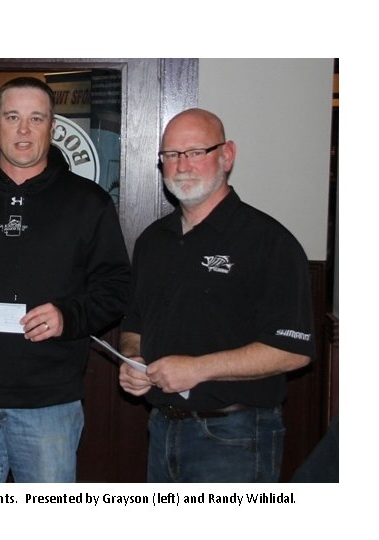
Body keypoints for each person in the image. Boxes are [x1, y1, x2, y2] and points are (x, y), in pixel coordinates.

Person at [0, 77, 130, 482]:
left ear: (53, 126)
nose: (25, 130)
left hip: (50, 405)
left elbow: (116, 287)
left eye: (37, 118)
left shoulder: (89, 203)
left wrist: (69, 316)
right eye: (13, 117)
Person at [119, 108, 314, 482]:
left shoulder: (269, 242)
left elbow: (293, 351)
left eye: (195, 152)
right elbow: (134, 324)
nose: (181, 165)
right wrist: (133, 361)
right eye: (171, 155)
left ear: (226, 156)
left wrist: (197, 369)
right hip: (161, 428)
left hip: (235, 436)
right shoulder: (152, 241)